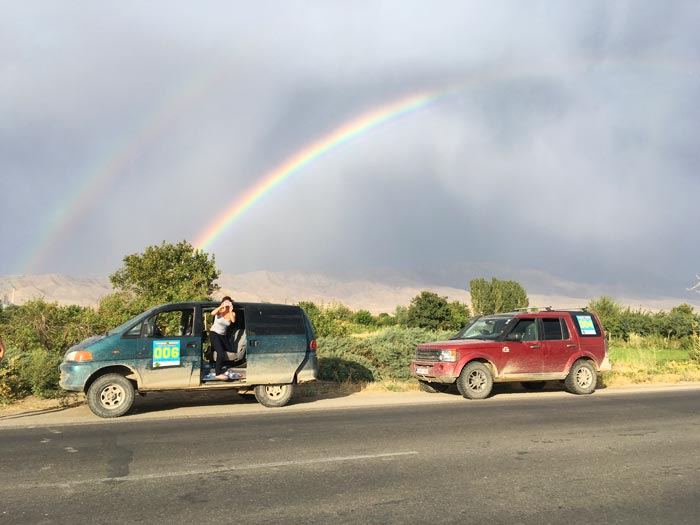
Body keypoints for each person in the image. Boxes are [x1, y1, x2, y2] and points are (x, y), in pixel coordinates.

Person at [209, 296, 235, 380]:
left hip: (223, 335)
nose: (226, 304)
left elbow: (233, 320)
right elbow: (212, 313)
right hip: (214, 333)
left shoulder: (232, 313)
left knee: (230, 350)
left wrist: (230, 310)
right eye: (225, 302)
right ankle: (218, 373)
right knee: (220, 353)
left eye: (228, 302)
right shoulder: (219, 311)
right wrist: (221, 306)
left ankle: (226, 366)